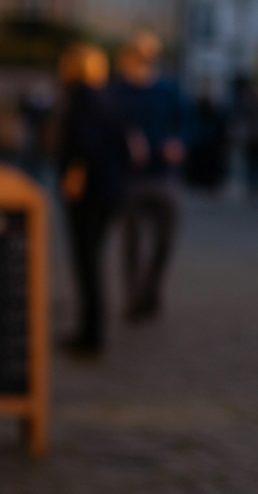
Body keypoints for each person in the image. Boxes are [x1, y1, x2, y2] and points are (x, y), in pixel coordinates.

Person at [55, 43, 132, 356]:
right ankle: (91, 330)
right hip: (110, 190)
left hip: (89, 192)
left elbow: (84, 143)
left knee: (87, 262)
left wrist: (75, 175)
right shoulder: (109, 96)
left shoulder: (82, 96)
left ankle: (91, 335)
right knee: (93, 260)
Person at [109, 32, 184, 322]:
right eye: (139, 58)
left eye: (150, 58)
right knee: (132, 242)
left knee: (164, 240)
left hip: (163, 176)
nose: (144, 64)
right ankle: (134, 298)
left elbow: (186, 121)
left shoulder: (167, 90)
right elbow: (108, 125)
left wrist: (179, 141)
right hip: (130, 178)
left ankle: (151, 291)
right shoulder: (118, 92)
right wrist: (127, 137)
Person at [231, 77, 258, 204]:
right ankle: (254, 187)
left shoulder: (249, 109)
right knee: (254, 165)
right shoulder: (252, 109)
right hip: (255, 140)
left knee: (255, 165)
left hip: (256, 140)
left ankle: (254, 187)